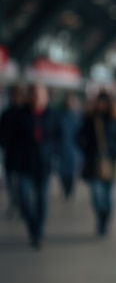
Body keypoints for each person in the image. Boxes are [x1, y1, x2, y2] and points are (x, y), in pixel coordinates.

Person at [78, 91, 116, 236]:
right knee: (96, 195)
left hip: (111, 163)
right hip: (94, 163)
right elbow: (79, 136)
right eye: (99, 102)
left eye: (104, 102)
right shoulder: (90, 119)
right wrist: (88, 151)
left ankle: (105, 221)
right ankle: (100, 218)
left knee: (109, 197)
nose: (101, 105)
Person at [14, 83, 60, 248]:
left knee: (41, 199)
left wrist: (52, 151)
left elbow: (58, 136)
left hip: (44, 163)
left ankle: (38, 233)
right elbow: (10, 137)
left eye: (40, 95)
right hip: (24, 163)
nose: (37, 98)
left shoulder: (52, 114)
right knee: (24, 199)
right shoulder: (20, 114)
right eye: (34, 94)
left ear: (46, 97)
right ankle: (32, 225)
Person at [0, 83, 27, 218]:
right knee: (11, 182)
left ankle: (21, 205)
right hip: (11, 154)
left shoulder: (25, 113)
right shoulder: (7, 113)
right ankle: (14, 204)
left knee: (22, 184)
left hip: (24, 156)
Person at [57, 92, 83, 200]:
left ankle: (70, 190)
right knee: (62, 172)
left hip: (74, 150)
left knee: (72, 172)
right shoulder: (60, 117)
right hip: (62, 149)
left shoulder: (78, 117)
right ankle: (65, 189)